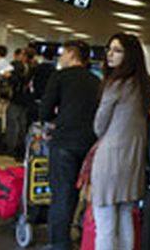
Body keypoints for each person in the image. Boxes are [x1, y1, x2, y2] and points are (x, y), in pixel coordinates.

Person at [91, 33, 150, 250]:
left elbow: (99, 126)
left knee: (105, 225)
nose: (110, 54)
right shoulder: (142, 88)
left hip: (110, 161)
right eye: (110, 49)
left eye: (117, 50)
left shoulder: (116, 85)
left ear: (130, 56)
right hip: (132, 163)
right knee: (125, 218)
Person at [40, 41, 100, 250]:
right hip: (89, 144)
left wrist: (55, 121)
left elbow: (45, 111)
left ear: (72, 54)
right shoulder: (96, 81)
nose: (60, 57)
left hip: (64, 141)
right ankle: (80, 236)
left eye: (62, 53)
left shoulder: (60, 76)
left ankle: (59, 243)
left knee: (61, 194)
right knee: (78, 193)